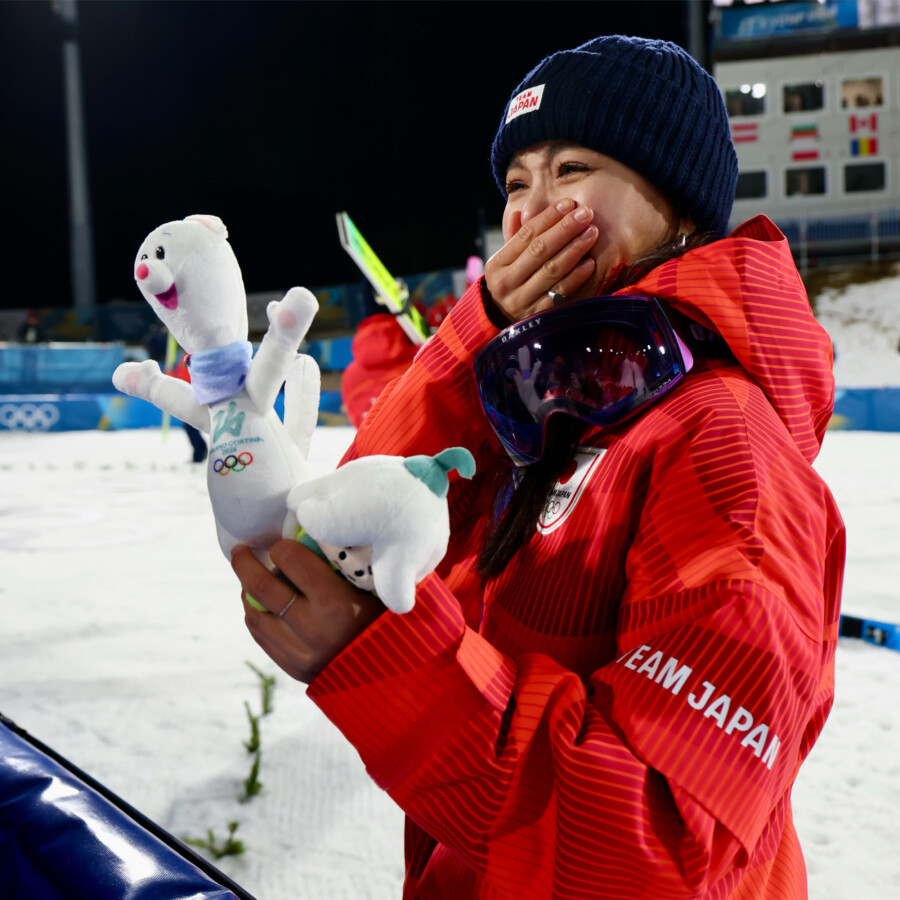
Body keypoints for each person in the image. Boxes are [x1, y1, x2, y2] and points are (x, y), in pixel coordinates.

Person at [232, 35, 844, 898]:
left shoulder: (723, 440)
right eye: (517, 182)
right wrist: (474, 332)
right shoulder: (555, 410)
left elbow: (663, 852)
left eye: (573, 168)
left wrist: (393, 660)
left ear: (680, 208)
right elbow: (359, 525)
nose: (531, 208)